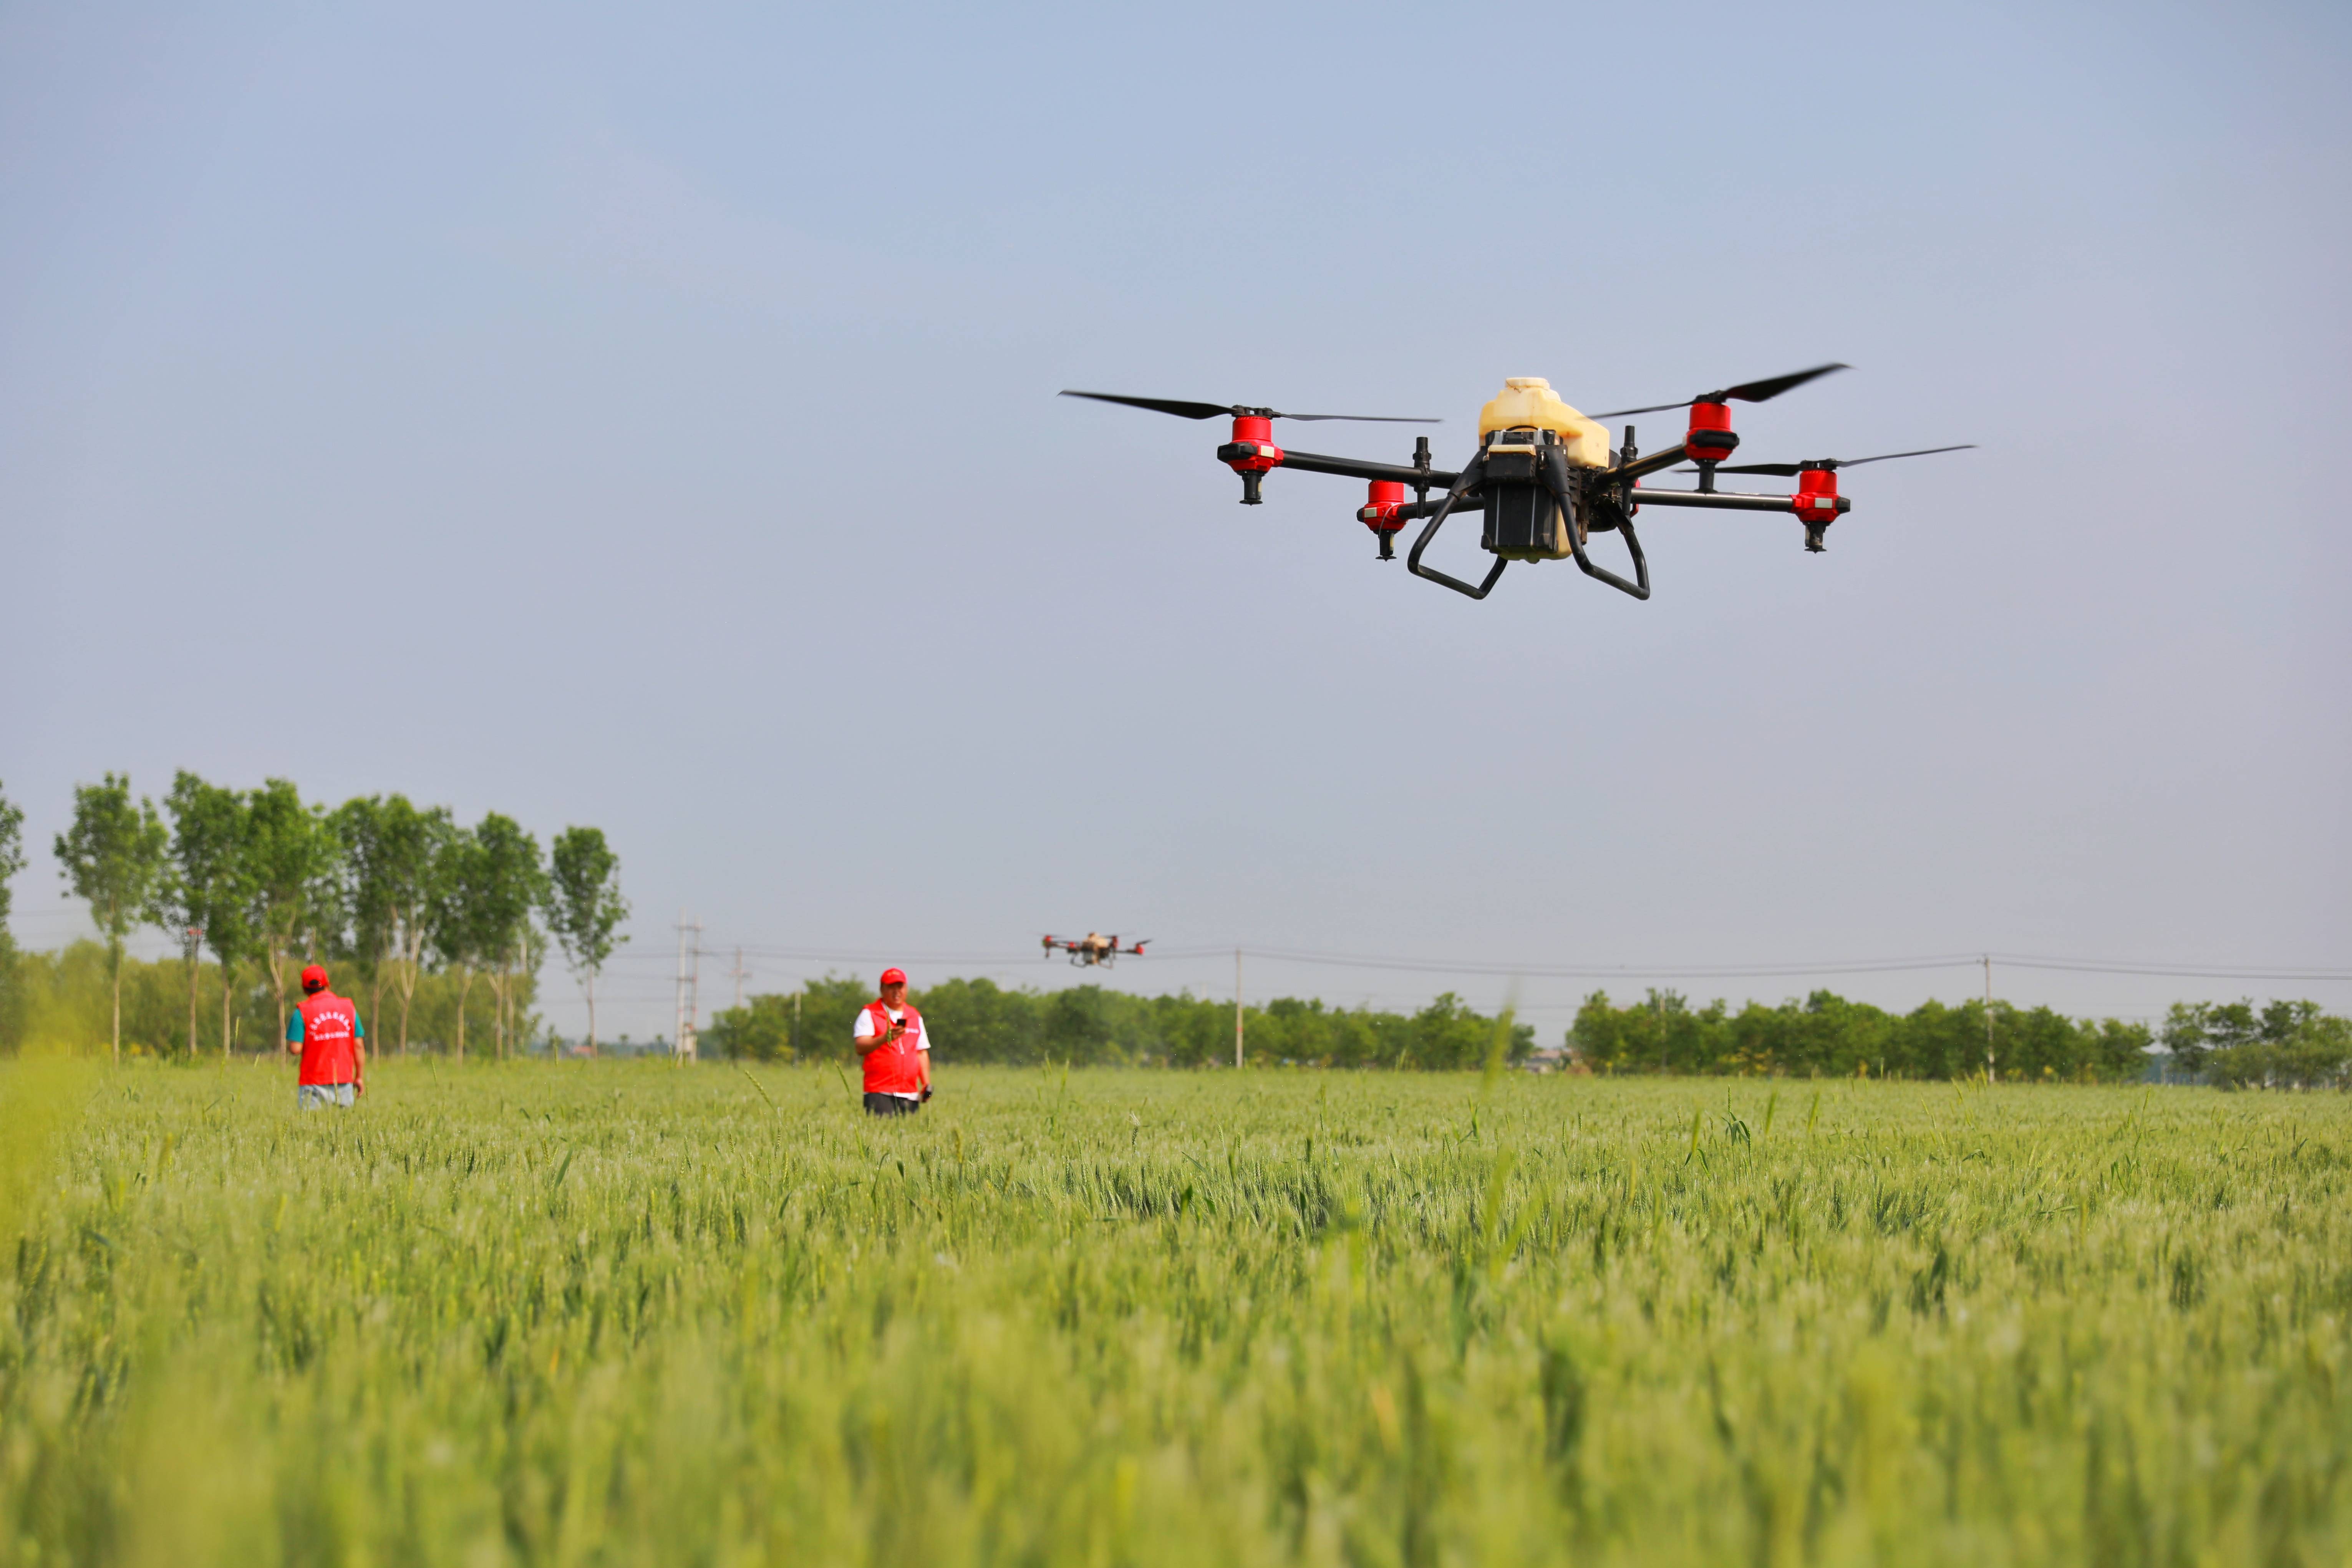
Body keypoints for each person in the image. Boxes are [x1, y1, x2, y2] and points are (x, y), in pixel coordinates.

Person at [286, 962, 365, 1109]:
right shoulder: (349, 1008)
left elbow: (295, 1048)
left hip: (312, 1082)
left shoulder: (302, 1011)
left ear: (305, 989)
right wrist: (359, 1077)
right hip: (343, 1081)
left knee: (310, 1130)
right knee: (344, 1129)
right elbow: (359, 1045)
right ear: (328, 984)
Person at [854, 966, 932, 1116]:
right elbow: (860, 1047)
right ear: (882, 989)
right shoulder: (870, 1013)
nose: (897, 991)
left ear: (906, 989)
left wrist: (926, 1084)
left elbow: (921, 1052)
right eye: (891, 987)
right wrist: (886, 1038)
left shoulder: (914, 1016)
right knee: (880, 1136)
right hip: (879, 1091)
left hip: (910, 1093)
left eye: (900, 987)